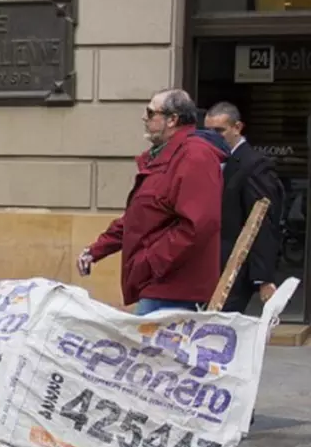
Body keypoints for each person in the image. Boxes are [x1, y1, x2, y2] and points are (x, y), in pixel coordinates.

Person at [77, 89, 225, 315]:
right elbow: (140, 216)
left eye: (150, 112)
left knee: (149, 349)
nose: (144, 119)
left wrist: (150, 262)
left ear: (172, 119)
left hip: (175, 289)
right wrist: (96, 250)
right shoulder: (165, 155)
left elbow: (197, 225)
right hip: (159, 285)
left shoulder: (195, 156)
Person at [204, 102, 282, 312]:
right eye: (208, 131)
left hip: (235, 267)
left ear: (237, 127)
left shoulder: (254, 165)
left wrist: (263, 277)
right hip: (210, 264)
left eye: (219, 131)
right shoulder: (210, 161)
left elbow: (261, 220)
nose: (213, 137)